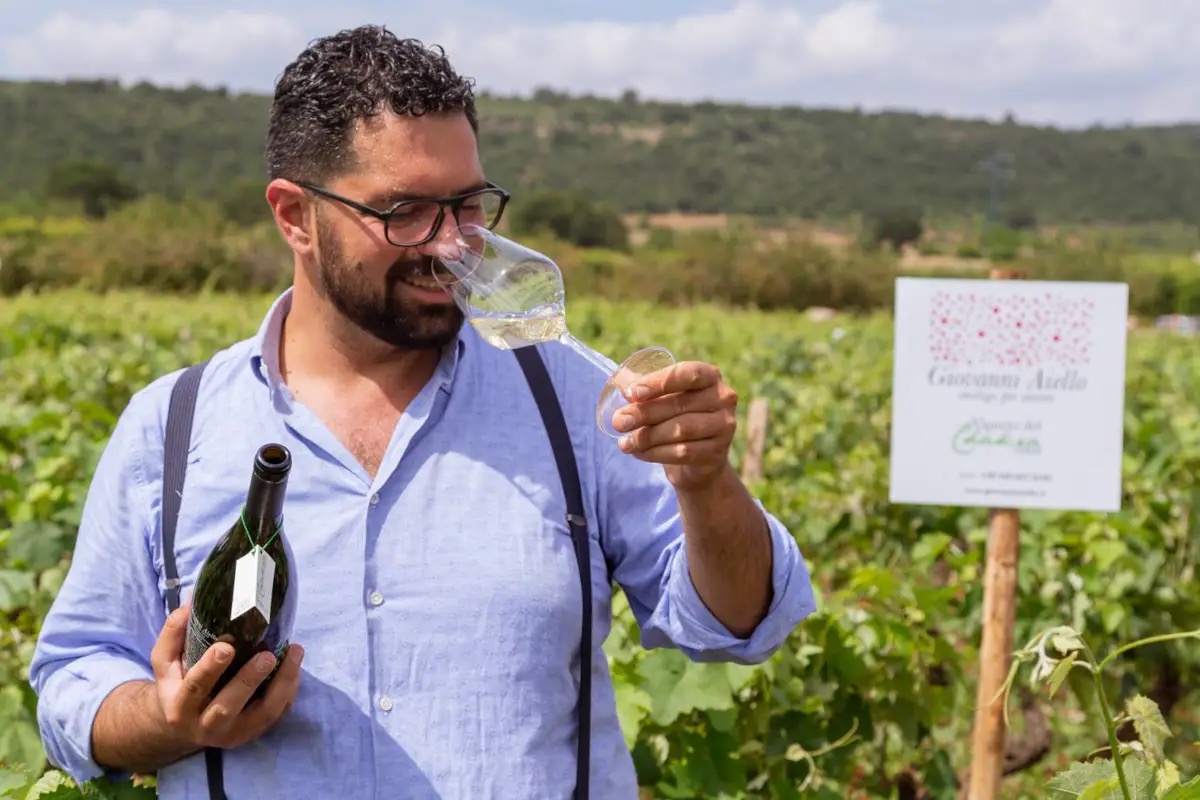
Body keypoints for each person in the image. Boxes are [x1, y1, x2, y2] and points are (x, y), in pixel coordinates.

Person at [28, 24, 817, 800]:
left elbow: (741, 624)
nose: (451, 245)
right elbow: (74, 679)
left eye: (468, 206)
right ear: (294, 216)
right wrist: (169, 720)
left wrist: (707, 483)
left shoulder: (573, 405)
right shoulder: (173, 428)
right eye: (405, 211)